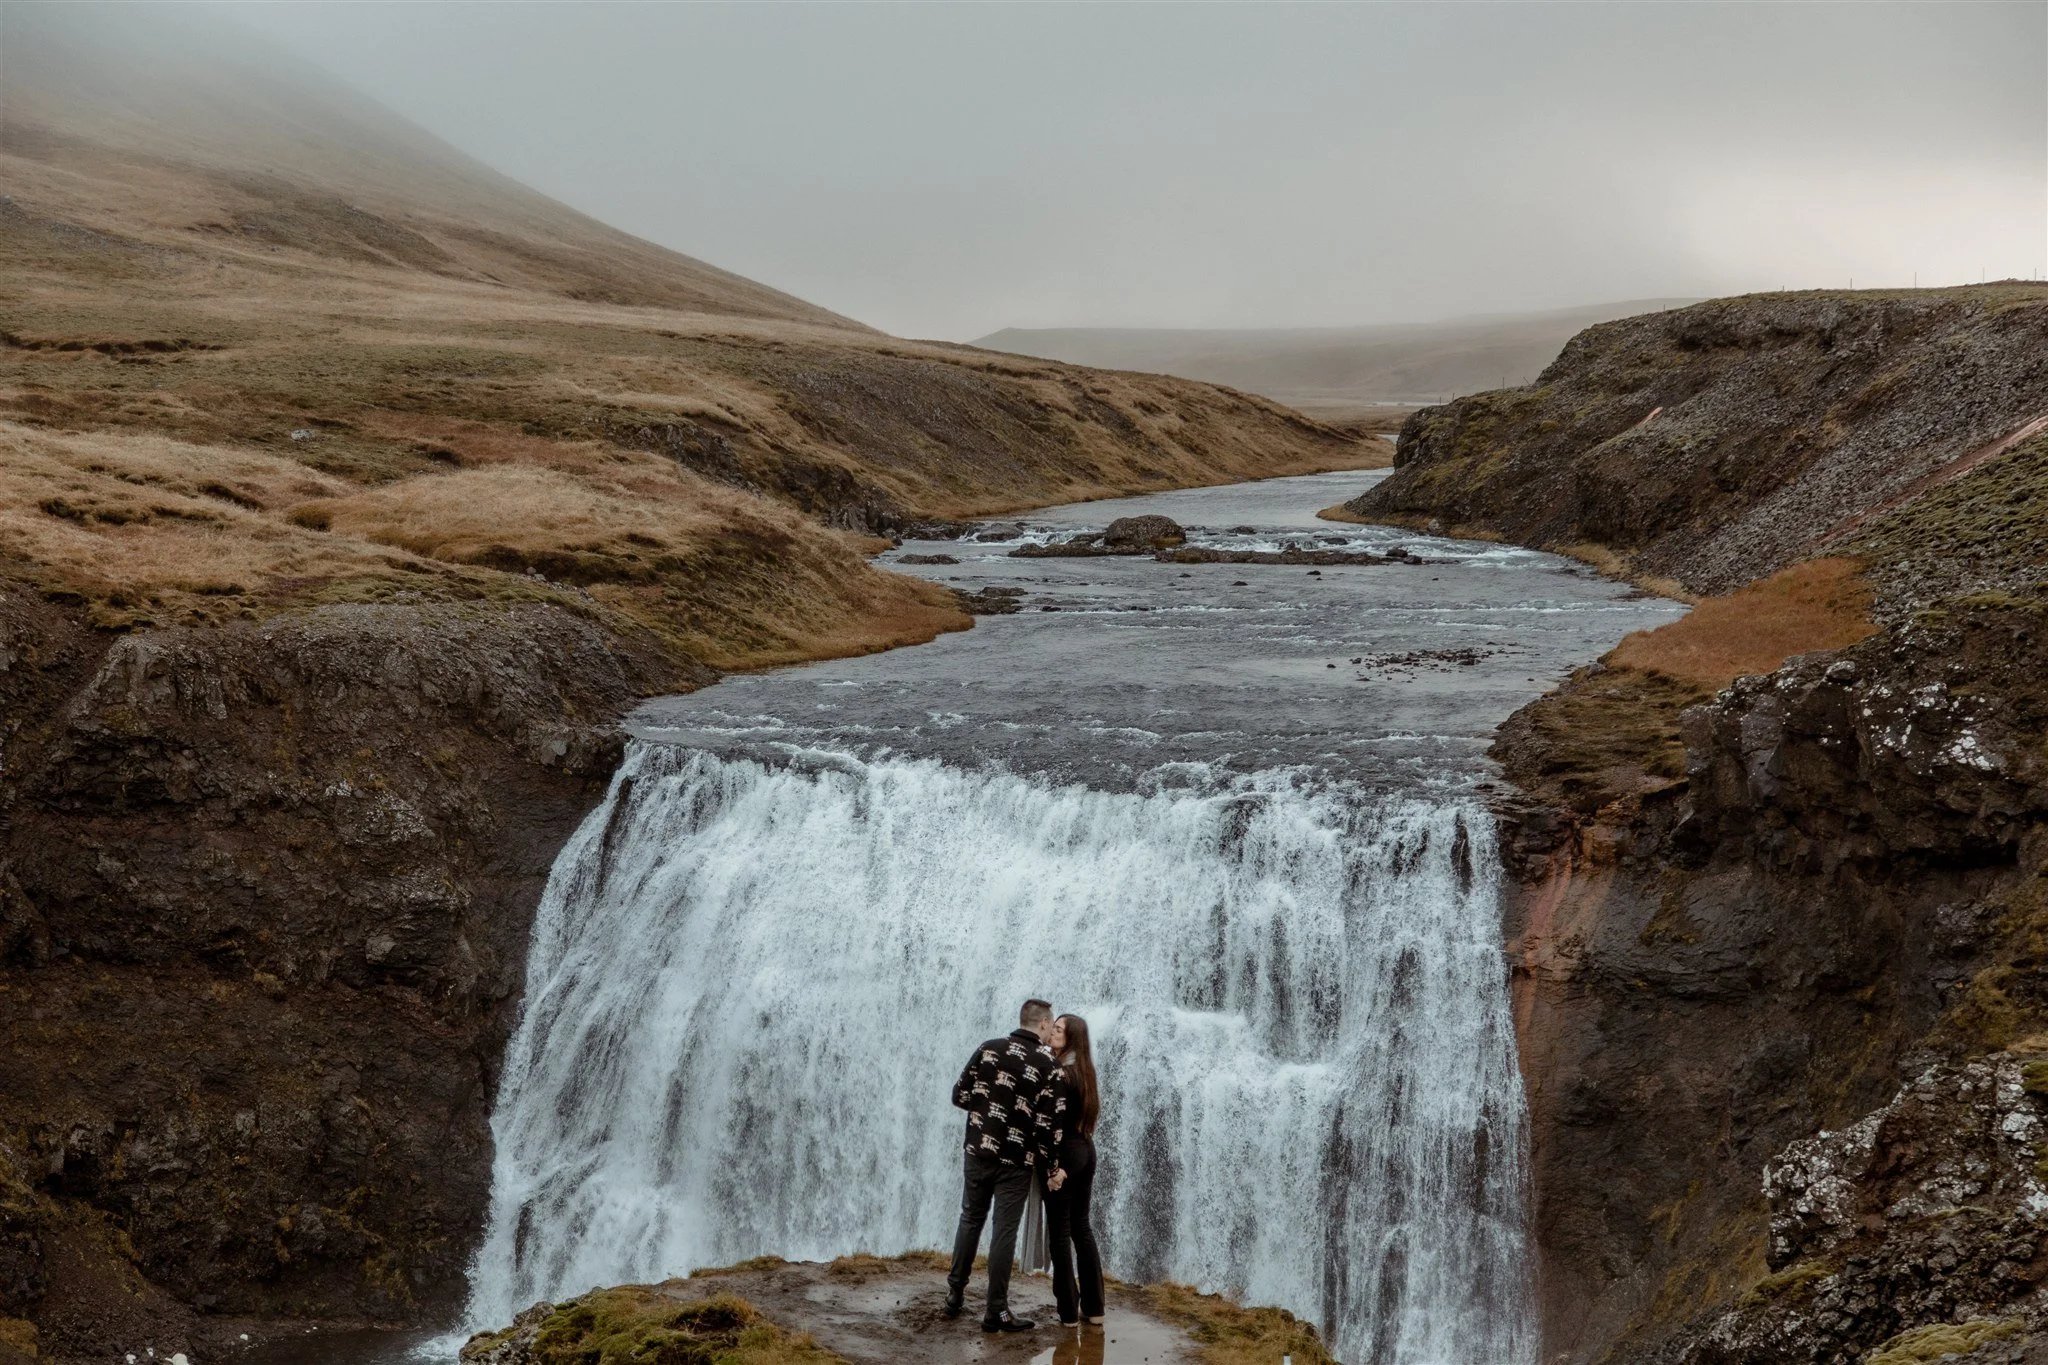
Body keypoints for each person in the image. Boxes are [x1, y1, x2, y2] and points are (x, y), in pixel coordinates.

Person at [944, 997, 1068, 1332]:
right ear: (1043, 1024)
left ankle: (954, 1294)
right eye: (1050, 1024)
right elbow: (1048, 1128)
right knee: (1004, 1230)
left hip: (978, 1150)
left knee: (970, 1217)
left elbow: (960, 1095)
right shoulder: (1049, 1066)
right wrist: (1053, 1168)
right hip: (1015, 1161)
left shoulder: (989, 1048)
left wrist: (988, 1110)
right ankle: (995, 1311)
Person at [1045, 1012, 1106, 1327]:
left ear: (1071, 1039)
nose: (1052, 1033)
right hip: (1087, 1152)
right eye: (1053, 1028)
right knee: (1082, 1228)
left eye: (1058, 1030)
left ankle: (1068, 1312)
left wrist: (1057, 1169)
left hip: (1067, 1160)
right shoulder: (1085, 1071)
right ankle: (1095, 1309)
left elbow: (1054, 1126)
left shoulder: (1060, 1075)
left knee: (1060, 1234)